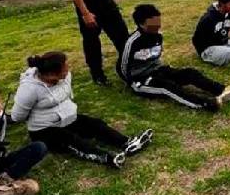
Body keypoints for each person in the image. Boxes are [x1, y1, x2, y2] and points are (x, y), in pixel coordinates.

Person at [11, 52, 153, 169]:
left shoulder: (65, 76)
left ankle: (128, 143)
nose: (68, 70)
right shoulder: (29, 89)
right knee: (70, 140)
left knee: (96, 124)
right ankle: (107, 158)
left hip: (67, 118)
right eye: (64, 69)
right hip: (44, 130)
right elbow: (17, 116)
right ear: (50, 75)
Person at [118, 4, 230, 111]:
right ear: (141, 24)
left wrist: (162, 70)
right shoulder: (132, 42)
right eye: (153, 24)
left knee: (190, 73)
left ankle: (222, 89)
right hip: (140, 79)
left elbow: (155, 56)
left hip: (157, 70)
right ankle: (204, 103)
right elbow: (122, 66)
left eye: (158, 22)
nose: (158, 26)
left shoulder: (158, 36)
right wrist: (131, 82)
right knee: (167, 87)